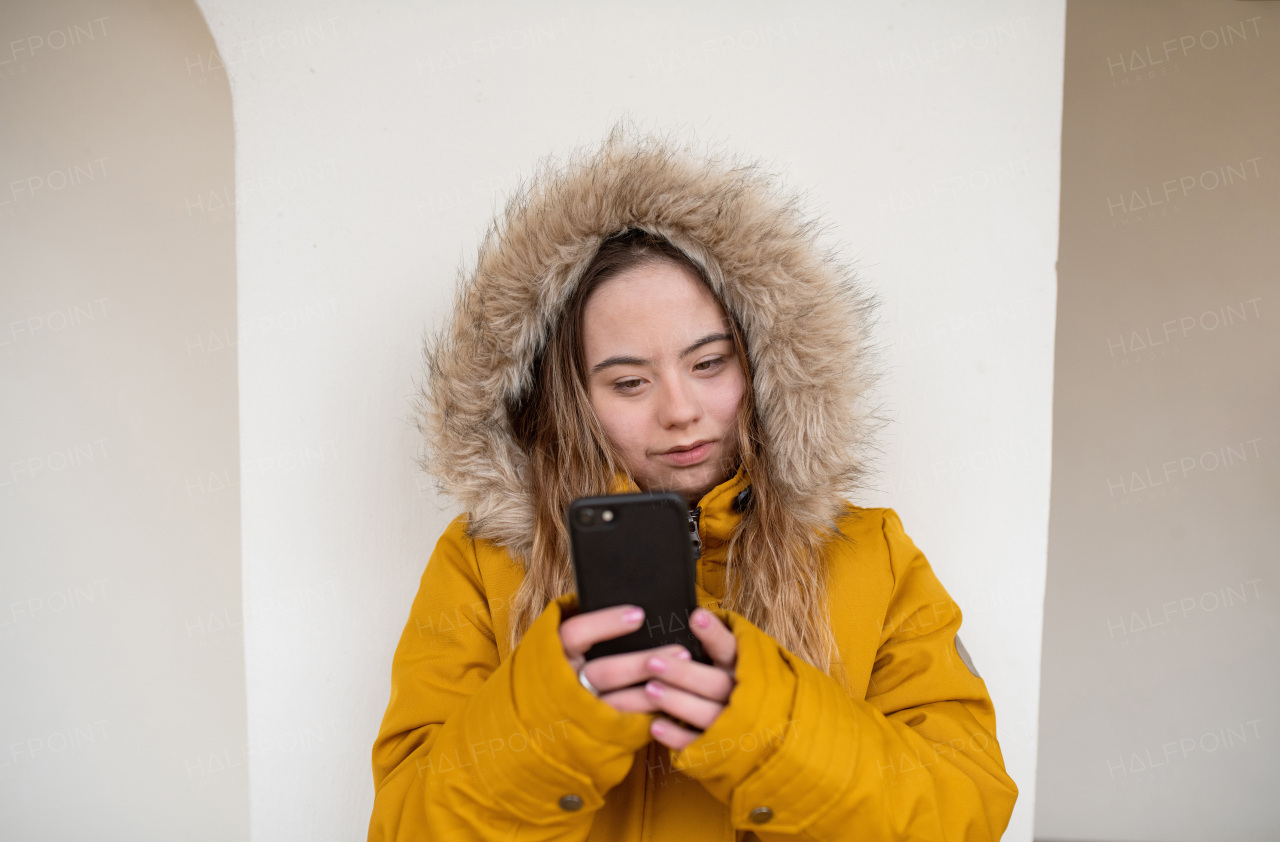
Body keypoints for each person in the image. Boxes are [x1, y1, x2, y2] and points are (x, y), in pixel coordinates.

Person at [367, 124, 1019, 841]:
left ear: (765, 362)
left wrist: (765, 725)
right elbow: (408, 827)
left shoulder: (872, 555)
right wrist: (560, 708)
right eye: (629, 381)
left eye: (709, 364)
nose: (680, 412)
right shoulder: (482, 565)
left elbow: (965, 810)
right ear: (571, 396)